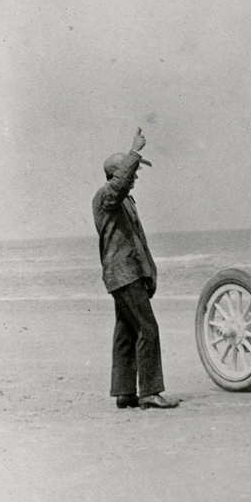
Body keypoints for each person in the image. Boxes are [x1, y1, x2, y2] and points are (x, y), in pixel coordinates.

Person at [93, 127, 178, 409]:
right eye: (133, 171)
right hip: (123, 275)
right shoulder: (106, 197)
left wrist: (149, 274)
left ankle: (125, 392)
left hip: (126, 275)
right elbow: (117, 188)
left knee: (126, 332)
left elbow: (137, 244)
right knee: (148, 328)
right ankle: (150, 392)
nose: (136, 176)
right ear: (118, 174)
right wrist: (134, 151)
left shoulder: (123, 201)